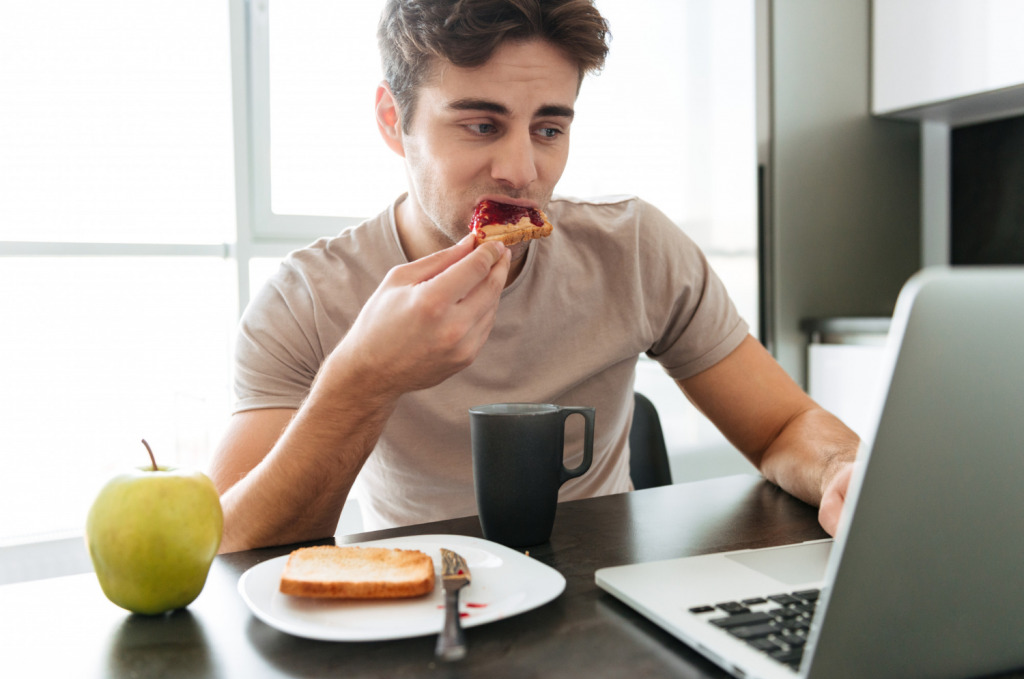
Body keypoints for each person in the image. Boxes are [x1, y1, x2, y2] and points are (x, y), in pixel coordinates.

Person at [209, 0, 859, 553]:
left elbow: (783, 425)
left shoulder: (636, 251)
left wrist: (842, 469)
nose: (521, 171)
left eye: (548, 127)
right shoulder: (306, 300)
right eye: (481, 124)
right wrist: (365, 377)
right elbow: (230, 548)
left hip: (609, 612)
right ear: (392, 120)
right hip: (420, 623)